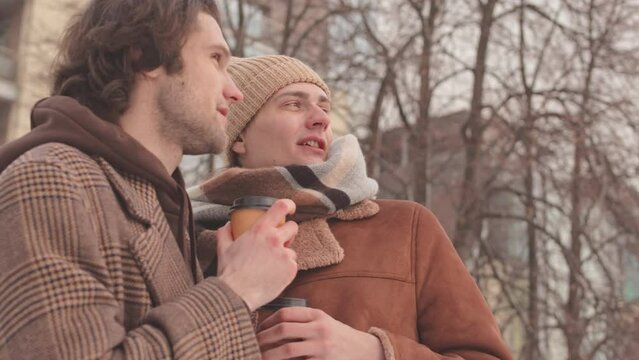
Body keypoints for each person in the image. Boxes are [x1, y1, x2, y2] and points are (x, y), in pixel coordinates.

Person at [0, 1, 299, 358]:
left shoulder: (164, 203)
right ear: (146, 56)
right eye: (216, 59)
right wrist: (237, 290)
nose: (235, 91)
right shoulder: (50, 179)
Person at [189, 55, 514, 360]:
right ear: (239, 136)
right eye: (293, 104)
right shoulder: (186, 239)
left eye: (323, 108)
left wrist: (376, 351)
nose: (320, 119)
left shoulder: (406, 229)